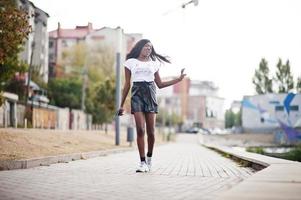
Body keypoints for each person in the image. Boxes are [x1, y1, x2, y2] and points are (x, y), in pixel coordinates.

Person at [117, 39, 186, 173]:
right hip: (136, 95)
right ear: (140, 47)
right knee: (140, 130)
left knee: (151, 132)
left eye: (150, 47)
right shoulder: (130, 62)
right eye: (146, 46)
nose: (148, 49)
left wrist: (178, 79)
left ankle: (149, 159)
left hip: (150, 95)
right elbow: (126, 85)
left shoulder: (154, 64)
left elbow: (160, 84)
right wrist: (121, 105)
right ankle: (142, 162)